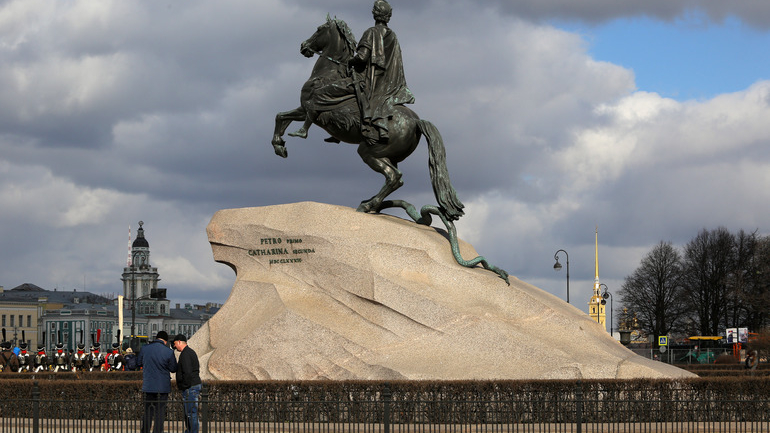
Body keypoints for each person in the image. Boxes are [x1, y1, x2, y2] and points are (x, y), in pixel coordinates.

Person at [348, 0, 414, 145]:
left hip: (374, 81)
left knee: (347, 89)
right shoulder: (393, 36)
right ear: (388, 16)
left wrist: (349, 61)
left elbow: (362, 57)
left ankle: (358, 125)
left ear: (374, 14)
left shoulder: (371, 32)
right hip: (390, 82)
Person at [138, 331, 178, 433]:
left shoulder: (145, 348)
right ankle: (157, 431)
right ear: (165, 341)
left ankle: (145, 430)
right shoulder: (168, 352)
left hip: (148, 385)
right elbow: (173, 368)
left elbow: (138, 362)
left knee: (148, 412)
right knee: (159, 413)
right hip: (162, 387)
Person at [173, 334, 202, 433]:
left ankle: (192, 431)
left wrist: (184, 385)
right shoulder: (190, 352)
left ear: (180, 342)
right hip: (192, 385)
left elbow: (187, 372)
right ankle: (191, 430)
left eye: (175, 343)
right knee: (191, 412)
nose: (174, 346)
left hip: (190, 387)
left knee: (190, 413)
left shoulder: (185, 354)